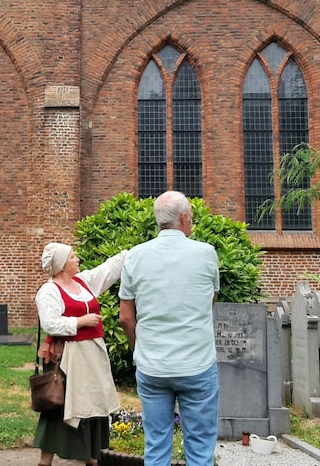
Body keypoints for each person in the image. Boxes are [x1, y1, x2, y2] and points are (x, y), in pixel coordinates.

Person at [118, 191, 219, 466]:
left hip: (152, 366)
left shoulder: (136, 257)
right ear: (184, 218)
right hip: (196, 364)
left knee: (156, 446)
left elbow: (125, 317)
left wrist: (139, 349)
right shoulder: (206, 253)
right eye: (192, 218)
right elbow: (209, 300)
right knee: (200, 449)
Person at [33, 242, 127, 466]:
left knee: (93, 406)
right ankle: (44, 462)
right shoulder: (49, 291)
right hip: (67, 359)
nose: (77, 259)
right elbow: (50, 323)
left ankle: (92, 459)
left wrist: (128, 253)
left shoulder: (82, 282)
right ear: (62, 264)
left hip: (92, 357)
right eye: (73, 257)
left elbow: (106, 270)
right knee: (60, 408)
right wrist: (81, 321)